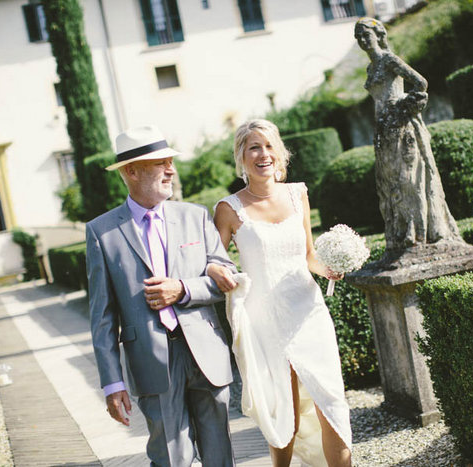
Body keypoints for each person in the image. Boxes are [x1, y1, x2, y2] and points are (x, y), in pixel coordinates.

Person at [86, 125, 237, 467]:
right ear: (132, 171)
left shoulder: (196, 216)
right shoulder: (102, 233)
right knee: (172, 460)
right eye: (160, 163)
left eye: (171, 161)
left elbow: (227, 277)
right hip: (150, 363)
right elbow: (102, 316)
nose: (171, 170)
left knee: (220, 458)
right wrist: (112, 383)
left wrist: (182, 289)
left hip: (206, 353)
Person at [208, 119, 353, 467]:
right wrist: (218, 271)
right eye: (254, 147)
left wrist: (328, 268)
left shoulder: (297, 193)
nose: (263, 154)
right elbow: (212, 262)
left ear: (281, 153)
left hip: (308, 312)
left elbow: (308, 256)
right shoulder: (228, 209)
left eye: (269, 145)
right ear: (242, 158)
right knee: (283, 409)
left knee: (330, 400)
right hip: (264, 320)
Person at [355, 17, 461, 252]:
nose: (363, 40)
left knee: (409, 179)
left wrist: (403, 107)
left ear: (378, 35)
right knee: (389, 183)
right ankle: (400, 234)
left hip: (401, 127)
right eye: (359, 37)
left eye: (366, 35)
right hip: (382, 130)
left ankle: (418, 233)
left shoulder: (389, 60)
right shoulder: (371, 68)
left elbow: (420, 83)